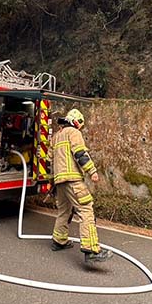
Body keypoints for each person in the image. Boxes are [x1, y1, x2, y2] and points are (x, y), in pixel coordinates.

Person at [50, 108, 113, 263]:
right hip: (73, 180)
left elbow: (49, 158)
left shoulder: (56, 137)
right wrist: (92, 171)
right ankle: (91, 249)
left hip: (59, 182)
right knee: (86, 210)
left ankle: (59, 240)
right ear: (77, 122)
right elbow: (80, 154)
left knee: (64, 211)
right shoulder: (74, 133)